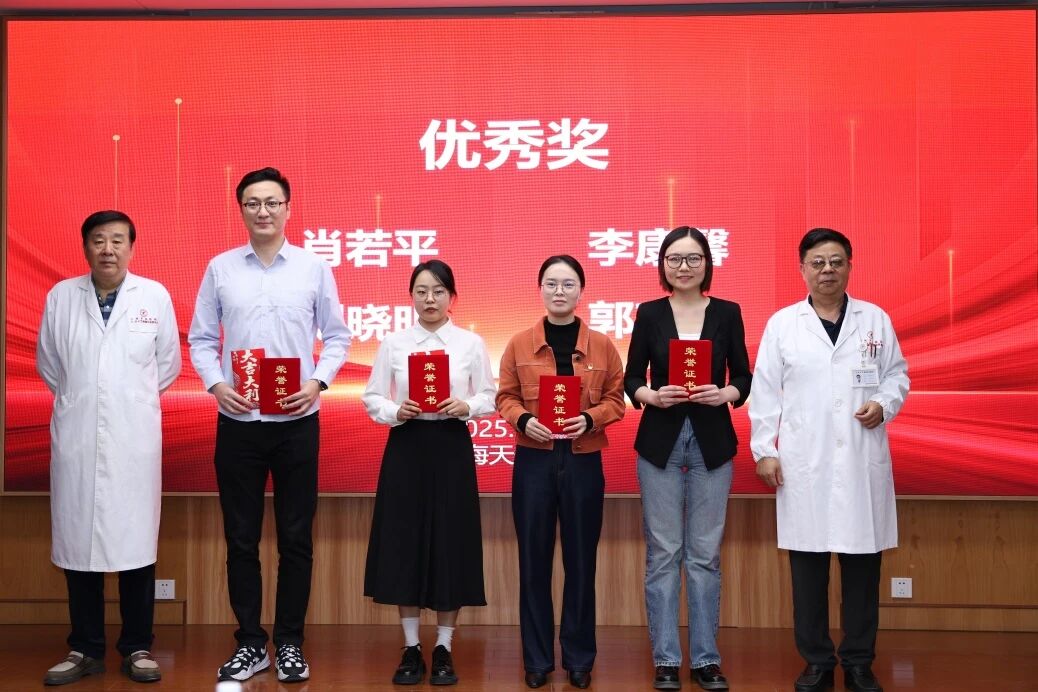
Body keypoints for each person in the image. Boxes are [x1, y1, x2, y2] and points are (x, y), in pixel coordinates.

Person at [188, 167, 351, 684]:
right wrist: (217, 384)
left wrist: (318, 382)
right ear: (241, 210)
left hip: (297, 421)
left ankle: (290, 644)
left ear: (287, 208)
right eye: (253, 203)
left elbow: (338, 336)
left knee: (296, 538)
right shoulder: (220, 268)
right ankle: (250, 644)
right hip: (238, 420)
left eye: (272, 203)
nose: (263, 211)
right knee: (240, 538)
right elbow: (201, 340)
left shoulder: (312, 267)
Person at [749, 228, 909, 692]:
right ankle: (817, 661)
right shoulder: (784, 324)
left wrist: (883, 403)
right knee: (808, 570)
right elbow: (765, 393)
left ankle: (858, 662)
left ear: (850, 267)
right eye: (817, 262)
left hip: (860, 459)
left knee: (862, 570)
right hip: (804, 462)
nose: (827, 271)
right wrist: (765, 450)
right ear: (802, 269)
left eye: (836, 262)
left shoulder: (874, 319)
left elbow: (897, 375)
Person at [37, 210, 181, 685]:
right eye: (98, 240)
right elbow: (50, 365)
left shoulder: (153, 296)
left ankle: (137, 646)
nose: (108, 249)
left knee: (135, 544)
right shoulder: (61, 297)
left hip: (132, 439)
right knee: (79, 545)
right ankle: (85, 648)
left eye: (118, 240)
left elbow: (166, 367)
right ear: (86, 247)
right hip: (78, 436)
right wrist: (86, 399)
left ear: (131, 248)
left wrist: (125, 401)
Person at [624, 226, 751, 691]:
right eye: (674, 258)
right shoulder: (650, 313)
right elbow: (632, 377)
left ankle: (705, 660)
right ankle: (665, 660)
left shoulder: (728, 312)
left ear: (707, 263)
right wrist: (652, 397)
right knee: (663, 554)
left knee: (704, 555)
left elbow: (744, 375)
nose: (683, 266)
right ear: (662, 264)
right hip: (660, 441)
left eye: (693, 258)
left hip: (711, 443)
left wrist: (726, 393)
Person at [362, 259, 496, 686]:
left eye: (438, 291)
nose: (430, 299)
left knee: (450, 543)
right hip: (407, 446)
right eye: (421, 291)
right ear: (411, 297)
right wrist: (394, 410)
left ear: (452, 297)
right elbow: (372, 397)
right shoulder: (394, 343)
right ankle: (410, 647)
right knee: (405, 542)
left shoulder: (470, 343)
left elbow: (490, 395)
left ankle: (444, 646)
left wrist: (466, 406)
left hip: (451, 446)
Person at [497, 255, 626, 690]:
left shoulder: (602, 345)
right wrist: (522, 419)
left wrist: (590, 418)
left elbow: (616, 400)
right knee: (533, 562)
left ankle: (579, 658)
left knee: (581, 562)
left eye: (568, 284)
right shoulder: (519, 344)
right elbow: (505, 396)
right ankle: (536, 660)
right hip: (533, 460)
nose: (559, 291)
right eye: (551, 283)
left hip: (583, 459)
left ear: (581, 291)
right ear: (540, 289)